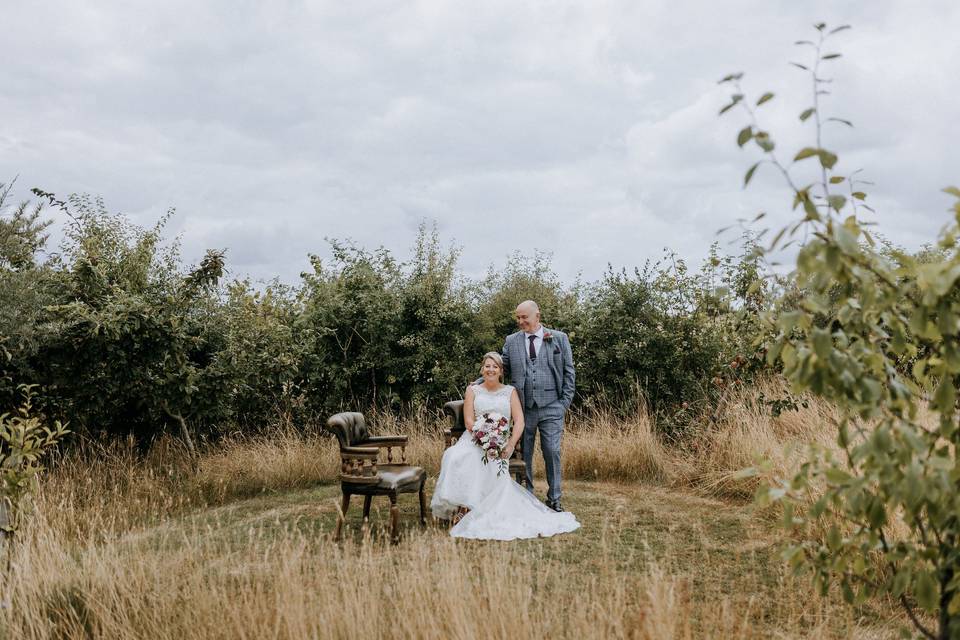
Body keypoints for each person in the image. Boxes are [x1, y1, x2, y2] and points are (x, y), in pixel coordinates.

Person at [431, 352, 580, 540]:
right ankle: (464, 506)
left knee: (488, 459)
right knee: (454, 455)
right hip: (474, 438)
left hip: (499, 441)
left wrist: (509, 445)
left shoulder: (510, 391)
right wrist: (481, 435)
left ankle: (473, 509)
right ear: (482, 369)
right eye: (487, 366)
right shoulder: (473, 390)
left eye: (494, 366)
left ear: (501, 371)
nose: (490, 369)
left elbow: (519, 422)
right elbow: (469, 420)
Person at [501, 300, 575, 512]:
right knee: (525, 454)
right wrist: (478, 382)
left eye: (524, 317)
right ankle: (527, 497)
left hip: (553, 406)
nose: (520, 321)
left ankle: (554, 498)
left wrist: (563, 404)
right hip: (524, 408)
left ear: (537, 316)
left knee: (551, 450)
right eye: (518, 317)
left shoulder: (559, 338)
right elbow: (501, 367)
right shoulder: (512, 341)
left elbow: (569, 373)